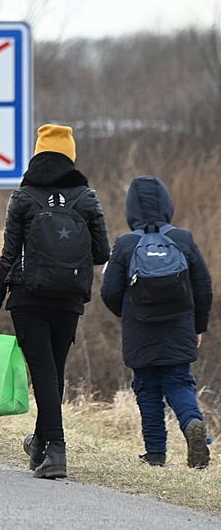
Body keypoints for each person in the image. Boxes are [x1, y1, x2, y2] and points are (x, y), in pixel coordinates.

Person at [0, 124, 110, 478]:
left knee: (42, 371)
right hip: (69, 296)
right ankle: (40, 443)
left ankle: (55, 448)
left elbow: (8, 257)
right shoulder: (86, 197)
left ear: (38, 153)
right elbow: (102, 252)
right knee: (54, 370)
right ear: (70, 155)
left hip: (28, 296)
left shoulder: (23, 197)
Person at [100, 175, 212, 469]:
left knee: (147, 387)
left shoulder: (125, 244)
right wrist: (199, 326)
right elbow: (203, 286)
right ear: (167, 205)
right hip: (179, 325)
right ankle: (191, 423)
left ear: (130, 210)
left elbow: (109, 291)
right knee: (178, 381)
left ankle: (155, 453)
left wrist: (127, 315)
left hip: (140, 327)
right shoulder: (182, 239)